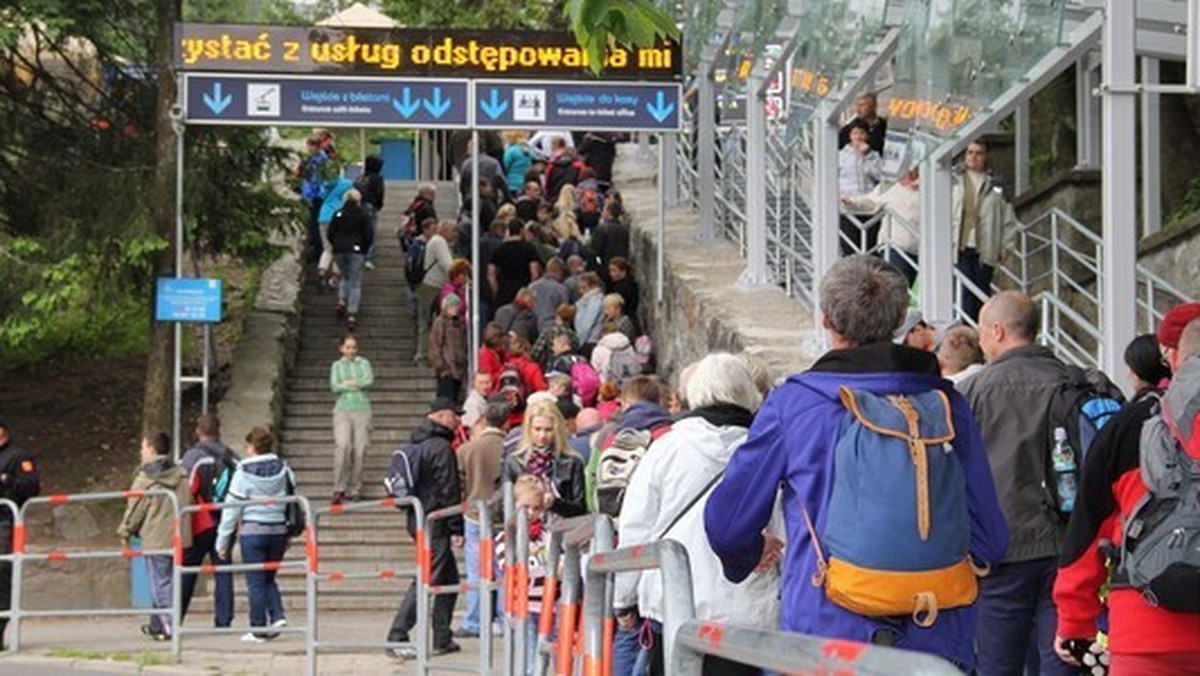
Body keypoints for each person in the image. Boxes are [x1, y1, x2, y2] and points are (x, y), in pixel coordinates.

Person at [705, 255, 1008, 671]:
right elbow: (991, 538)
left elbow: (727, 525)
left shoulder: (795, 404)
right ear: (902, 317)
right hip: (936, 634)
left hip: (827, 639)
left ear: (827, 320)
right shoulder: (946, 404)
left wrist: (749, 554)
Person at [616, 354, 780, 676]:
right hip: (745, 611)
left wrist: (625, 597)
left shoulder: (666, 448)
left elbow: (637, 526)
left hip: (674, 604)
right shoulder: (765, 451)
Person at [1053, 318, 1200, 674]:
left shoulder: (1129, 424)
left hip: (1145, 631)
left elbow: (1087, 532)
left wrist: (1075, 624)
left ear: (1175, 358)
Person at [958, 291, 1077, 675]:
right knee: (1061, 657)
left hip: (1000, 551)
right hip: (1069, 545)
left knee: (996, 664)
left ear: (997, 331)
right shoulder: (1073, 382)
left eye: (981, 332)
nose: (980, 342)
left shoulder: (972, 393)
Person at [388, 398, 464, 659]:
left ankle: (442, 636)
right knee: (427, 577)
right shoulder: (441, 447)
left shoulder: (415, 444)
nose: (459, 420)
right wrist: (457, 527)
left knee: (449, 579)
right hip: (437, 521)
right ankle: (397, 634)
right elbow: (449, 489)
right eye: (455, 415)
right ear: (442, 416)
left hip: (418, 518)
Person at [216, 427, 294, 643]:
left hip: (253, 531)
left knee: (256, 582)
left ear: (252, 447)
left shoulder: (242, 473)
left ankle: (258, 628)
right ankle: (277, 616)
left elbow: (231, 509)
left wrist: (222, 541)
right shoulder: (285, 469)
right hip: (278, 530)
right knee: (268, 577)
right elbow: (292, 498)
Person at [118, 432, 192, 642]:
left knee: (160, 582)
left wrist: (125, 531)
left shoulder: (146, 477)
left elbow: (135, 507)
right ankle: (164, 623)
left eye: (142, 447)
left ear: (151, 448)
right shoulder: (181, 473)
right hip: (179, 536)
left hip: (156, 536)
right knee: (171, 580)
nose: (141, 452)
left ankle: (169, 624)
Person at [456, 398, 510, 639]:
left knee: (477, 570)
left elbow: (459, 486)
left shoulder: (467, 449)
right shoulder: (511, 447)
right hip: (505, 515)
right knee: (504, 571)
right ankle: (503, 617)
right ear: (507, 420)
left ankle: (475, 620)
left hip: (475, 514)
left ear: (484, 419)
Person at [179, 414, 238, 629]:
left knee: (187, 569)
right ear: (218, 430)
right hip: (226, 520)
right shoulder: (232, 457)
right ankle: (224, 620)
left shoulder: (194, 456)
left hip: (199, 522)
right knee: (223, 570)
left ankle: (175, 617)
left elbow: (184, 486)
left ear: (198, 431)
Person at [952, 140, 1017, 322]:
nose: (974, 157)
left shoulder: (996, 184)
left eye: (979, 153)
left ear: (986, 156)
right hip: (959, 246)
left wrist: (1007, 246)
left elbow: (1008, 217)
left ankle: (980, 335)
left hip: (985, 248)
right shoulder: (953, 179)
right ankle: (966, 330)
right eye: (970, 152)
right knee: (964, 293)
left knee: (982, 294)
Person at [496, 474, 552, 672]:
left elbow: (558, 563)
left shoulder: (547, 534)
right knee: (528, 660)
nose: (531, 513)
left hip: (547, 606)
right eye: (525, 507)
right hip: (523, 606)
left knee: (541, 659)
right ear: (513, 506)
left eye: (536, 508)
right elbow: (512, 567)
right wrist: (548, 567)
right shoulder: (506, 537)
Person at [503, 400, 587, 519]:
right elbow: (506, 505)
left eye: (548, 430)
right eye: (537, 429)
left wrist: (555, 503)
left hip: (563, 530)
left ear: (557, 430)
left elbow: (580, 509)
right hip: (524, 529)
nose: (542, 435)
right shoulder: (514, 462)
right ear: (528, 429)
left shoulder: (572, 462)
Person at [841, 167, 921, 286]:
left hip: (922, 248)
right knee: (896, 285)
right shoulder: (889, 186)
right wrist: (851, 202)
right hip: (895, 246)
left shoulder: (931, 186)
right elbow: (870, 202)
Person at [0, 416, 38, 649]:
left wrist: (6, 480)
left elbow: (30, 486)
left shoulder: (17, 456)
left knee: (2, 577)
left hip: (3, 523)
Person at [330, 334, 373, 505]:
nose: (351, 351)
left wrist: (348, 384)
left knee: (360, 448)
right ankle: (339, 487)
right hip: (342, 409)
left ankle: (356, 487)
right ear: (342, 349)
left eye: (354, 347)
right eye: (348, 347)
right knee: (343, 446)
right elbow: (335, 386)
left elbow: (368, 380)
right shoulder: (337, 365)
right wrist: (354, 384)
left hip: (362, 408)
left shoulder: (364, 363)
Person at [838, 119, 884, 256]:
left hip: (869, 205)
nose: (858, 137)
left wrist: (867, 156)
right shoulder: (840, 156)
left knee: (869, 246)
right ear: (850, 136)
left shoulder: (874, 155)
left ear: (867, 136)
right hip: (847, 204)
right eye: (855, 133)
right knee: (849, 246)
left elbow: (880, 175)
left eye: (862, 133)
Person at [327, 188, 373, 328]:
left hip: (339, 250)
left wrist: (336, 244)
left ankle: (341, 300)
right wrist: (364, 249)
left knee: (344, 276)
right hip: (356, 250)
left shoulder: (338, 213)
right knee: (355, 281)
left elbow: (330, 232)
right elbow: (369, 234)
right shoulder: (363, 214)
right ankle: (352, 313)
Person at [416, 220, 456, 364]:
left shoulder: (434, 241)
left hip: (428, 285)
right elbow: (448, 265)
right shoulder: (439, 242)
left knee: (425, 322)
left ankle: (425, 355)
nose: (455, 235)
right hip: (432, 286)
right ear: (444, 230)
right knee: (428, 322)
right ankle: (424, 355)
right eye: (453, 231)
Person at [489, 221, 543, 311]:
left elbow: (491, 274)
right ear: (522, 231)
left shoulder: (500, 249)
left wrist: (496, 291)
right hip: (523, 292)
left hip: (505, 293)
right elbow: (535, 273)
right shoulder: (529, 248)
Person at [430, 294, 468, 402]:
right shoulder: (440, 322)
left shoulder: (457, 323)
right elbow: (435, 345)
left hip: (458, 370)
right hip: (447, 369)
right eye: (452, 306)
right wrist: (441, 366)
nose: (455, 308)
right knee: (445, 400)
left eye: (457, 306)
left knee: (454, 400)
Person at [355, 155, 385, 269]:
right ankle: (367, 257)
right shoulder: (377, 178)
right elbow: (379, 193)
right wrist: (378, 205)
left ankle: (359, 255)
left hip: (359, 205)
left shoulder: (360, 178)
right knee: (370, 231)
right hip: (370, 206)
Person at [530, 258, 570, 334]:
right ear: (560, 272)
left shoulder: (532, 286)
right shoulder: (561, 289)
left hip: (532, 327)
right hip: (551, 329)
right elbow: (564, 312)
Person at [592, 200, 630, 270]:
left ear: (608, 212)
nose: (602, 213)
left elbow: (594, 251)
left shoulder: (602, 229)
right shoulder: (624, 230)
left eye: (604, 210)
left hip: (606, 266)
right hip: (620, 266)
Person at [503, 130, 539, 195]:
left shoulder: (511, 151)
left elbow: (505, 166)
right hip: (525, 183)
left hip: (512, 184)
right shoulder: (528, 149)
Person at [606, 257, 639, 323]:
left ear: (623, 271)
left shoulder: (623, 288)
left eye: (614, 271)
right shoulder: (629, 284)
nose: (611, 274)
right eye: (610, 271)